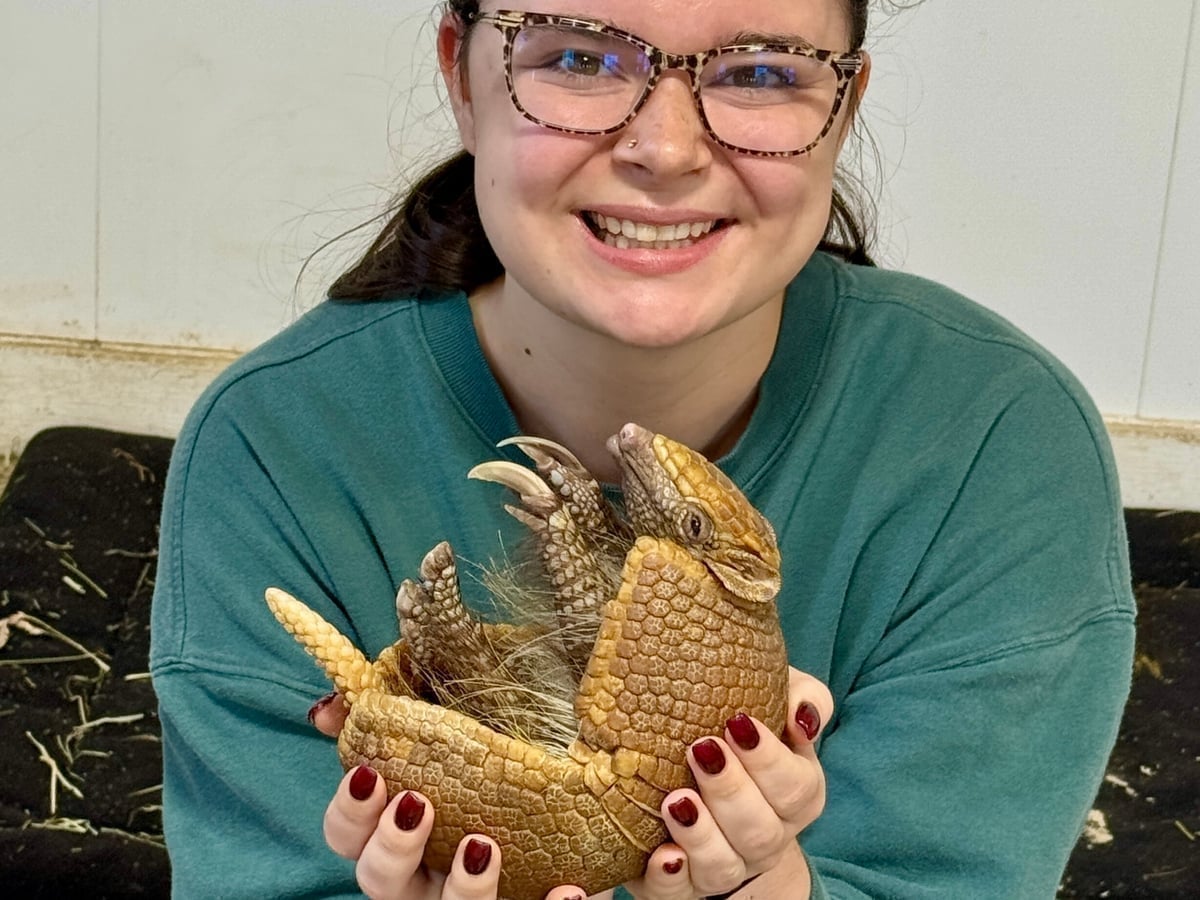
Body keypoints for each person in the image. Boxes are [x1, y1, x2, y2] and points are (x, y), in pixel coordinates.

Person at [149, 0, 1135, 897]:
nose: (665, 149)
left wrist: (775, 890)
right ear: (463, 77)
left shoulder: (994, 441)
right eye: (578, 58)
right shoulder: (279, 441)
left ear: (843, 106)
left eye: (759, 72)